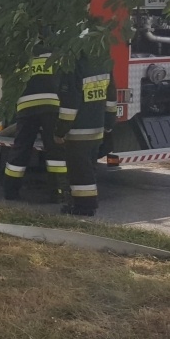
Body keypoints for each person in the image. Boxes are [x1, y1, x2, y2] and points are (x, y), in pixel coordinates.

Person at [1, 42, 66, 202]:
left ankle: (10, 191)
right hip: (51, 107)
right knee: (55, 151)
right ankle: (58, 192)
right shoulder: (56, 53)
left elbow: (11, 83)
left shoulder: (21, 55)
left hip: (26, 108)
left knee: (20, 149)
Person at [56, 46, 115, 217]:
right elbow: (111, 97)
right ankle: (82, 205)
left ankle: (84, 208)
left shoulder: (73, 67)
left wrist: (60, 132)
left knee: (80, 173)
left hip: (78, 132)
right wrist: (109, 124)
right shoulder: (103, 63)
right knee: (89, 170)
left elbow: (69, 106)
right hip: (97, 129)